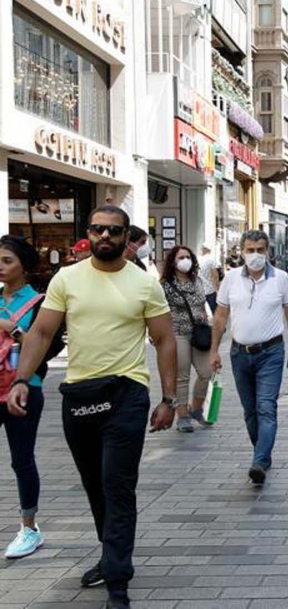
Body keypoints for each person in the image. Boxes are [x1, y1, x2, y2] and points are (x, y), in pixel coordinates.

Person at [8, 205, 178, 608]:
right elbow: (42, 331)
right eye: (98, 230)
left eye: (114, 231)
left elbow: (165, 340)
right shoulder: (67, 278)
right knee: (95, 486)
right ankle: (111, 556)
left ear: (125, 237)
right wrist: (20, 381)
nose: (106, 236)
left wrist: (169, 398)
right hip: (80, 395)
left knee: (117, 485)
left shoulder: (144, 284)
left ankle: (117, 582)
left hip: (127, 394)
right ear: (88, 233)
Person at [209, 230, 288, 486]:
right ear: (242, 251)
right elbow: (220, 316)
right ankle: (263, 453)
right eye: (250, 250)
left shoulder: (281, 279)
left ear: (268, 251)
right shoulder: (230, 279)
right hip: (240, 353)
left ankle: (259, 461)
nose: (255, 255)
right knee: (250, 412)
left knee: (265, 407)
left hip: (270, 353)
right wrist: (214, 350)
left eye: (260, 250)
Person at [0, 236, 56, 560]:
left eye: (7, 260)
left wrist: (12, 328)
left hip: (25, 387)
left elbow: (47, 349)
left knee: (22, 459)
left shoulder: (40, 303)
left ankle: (29, 527)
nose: (1, 267)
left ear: (24, 265)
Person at [160, 246, 213, 433]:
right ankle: (182, 415)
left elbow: (201, 306)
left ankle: (196, 409)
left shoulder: (197, 280)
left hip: (199, 333)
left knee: (207, 372)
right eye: (181, 257)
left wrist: (208, 329)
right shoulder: (165, 284)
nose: (185, 260)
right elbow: (161, 312)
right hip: (177, 333)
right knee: (182, 375)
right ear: (173, 261)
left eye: (188, 256)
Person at [199, 245, 221, 313]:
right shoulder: (211, 260)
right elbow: (215, 276)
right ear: (209, 250)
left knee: (201, 311)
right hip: (210, 289)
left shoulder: (198, 259)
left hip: (199, 289)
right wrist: (218, 289)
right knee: (215, 311)